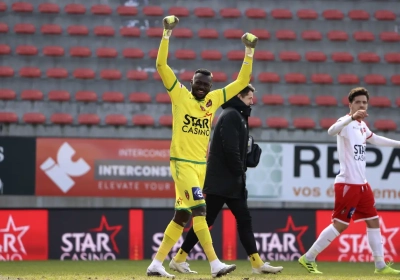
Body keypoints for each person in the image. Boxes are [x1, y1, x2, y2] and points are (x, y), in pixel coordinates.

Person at [146, 15, 258, 278]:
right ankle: (215, 263)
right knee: (200, 210)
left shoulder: (214, 100)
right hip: (182, 163)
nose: (202, 88)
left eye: (206, 85)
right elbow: (161, 64)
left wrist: (249, 51)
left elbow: (242, 83)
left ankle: (156, 264)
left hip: (200, 166)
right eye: (198, 83)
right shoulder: (179, 95)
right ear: (192, 82)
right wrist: (166, 34)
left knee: (182, 216)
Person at [169, 84, 284, 275]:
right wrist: (240, 170)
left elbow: (237, 150)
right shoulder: (231, 115)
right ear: (239, 96)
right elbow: (230, 150)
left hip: (230, 181)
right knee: (207, 220)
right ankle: (179, 258)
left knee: (242, 219)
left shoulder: (238, 116)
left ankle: (257, 264)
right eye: (249, 98)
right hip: (222, 181)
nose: (252, 101)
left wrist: (248, 159)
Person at [299, 87, 400, 275]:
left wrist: (398, 144)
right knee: (341, 224)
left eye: (364, 102)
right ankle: (308, 257)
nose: (362, 105)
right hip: (347, 184)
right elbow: (331, 131)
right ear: (350, 105)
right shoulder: (345, 122)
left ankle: (380, 266)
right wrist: (351, 117)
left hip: (362, 184)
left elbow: (375, 139)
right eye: (358, 102)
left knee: (373, 221)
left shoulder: (362, 126)